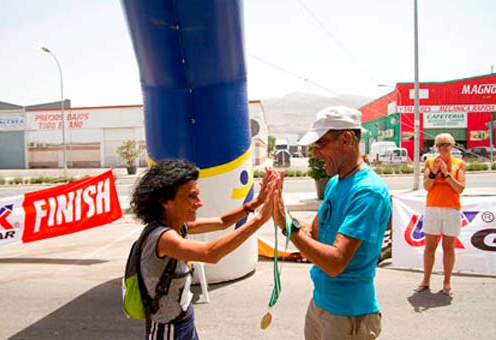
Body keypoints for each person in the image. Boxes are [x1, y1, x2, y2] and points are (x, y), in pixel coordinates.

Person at [272, 106, 392, 340]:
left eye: (320, 144)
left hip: (348, 314)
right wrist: (280, 211)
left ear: (346, 139)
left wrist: (287, 225)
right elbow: (315, 234)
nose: (315, 153)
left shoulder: (368, 192)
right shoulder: (335, 183)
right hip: (321, 304)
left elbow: (336, 263)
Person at [130, 159, 274, 340]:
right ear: (165, 202)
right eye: (191, 196)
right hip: (167, 330)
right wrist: (260, 219)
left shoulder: (179, 225)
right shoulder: (163, 238)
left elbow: (222, 222)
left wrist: (256, 202)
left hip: (183, 319)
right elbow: (210, 253)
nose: (199, 203)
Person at [416, 133, 466, 296]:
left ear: (452, 146)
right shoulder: (430, 162)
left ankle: (447, 282)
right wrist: (434, 172)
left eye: (446, 144)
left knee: (448, 247)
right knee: (430, 246)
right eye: (439, 145)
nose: (443, 148)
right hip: (433, 208)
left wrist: (446, 173)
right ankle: (426, 280)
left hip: (451, 209)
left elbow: (459, 188)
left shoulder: (459, 163)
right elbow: (427, 186)